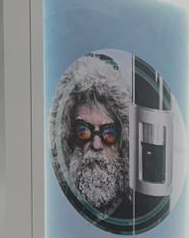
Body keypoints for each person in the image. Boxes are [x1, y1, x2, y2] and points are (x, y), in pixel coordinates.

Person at [50, 53, 132, 220]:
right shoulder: (55, 213)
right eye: (83, 131)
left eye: (109, 134)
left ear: (123, 141)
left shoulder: (133, 220)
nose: (96, 144)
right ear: (68, 137)